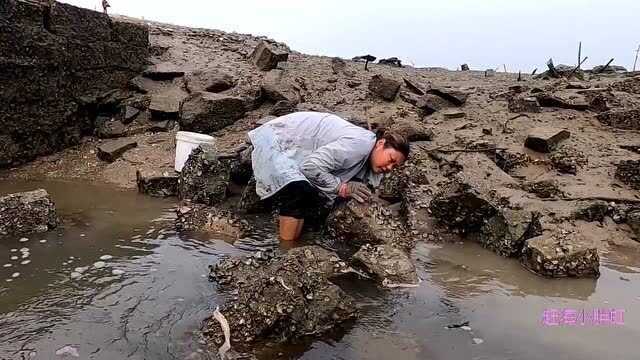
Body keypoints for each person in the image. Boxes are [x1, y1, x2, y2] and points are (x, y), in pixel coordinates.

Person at [247, 111, 409, 242]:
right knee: (298, 190)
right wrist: (342, 187)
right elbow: (310, 167)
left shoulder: (371, 164)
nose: (389, 168)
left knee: (315, 200)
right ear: (381, 144)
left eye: (394, 167)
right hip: (278, 137)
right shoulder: (358, 145)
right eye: (391, 160)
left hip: (301, 151)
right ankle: (286, 251)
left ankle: (294, 243)